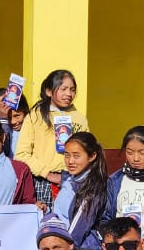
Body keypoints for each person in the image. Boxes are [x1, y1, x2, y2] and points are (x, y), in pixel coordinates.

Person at [15, 69, 89, 207]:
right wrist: (47, 173)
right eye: (63, 89)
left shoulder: (80, 119)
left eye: (72, 90)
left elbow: (86, 152)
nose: (69, 94)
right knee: (47, 225)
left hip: (73, 181)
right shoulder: (35, 116)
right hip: (43, 182)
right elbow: (21, 154)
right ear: (49, 91)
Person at [48, 131, 109, 250]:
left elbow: (78, 229)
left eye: (76, 156)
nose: (70, 161)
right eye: (67, 155)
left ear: (92, 156)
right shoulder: (69, 179)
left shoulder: (93, 188)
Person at [100, 125, 144, 240]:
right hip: (121, 249)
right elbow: (106, 218)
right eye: (129, 152)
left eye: (142, 152)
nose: (135, 158)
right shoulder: (115, 181)